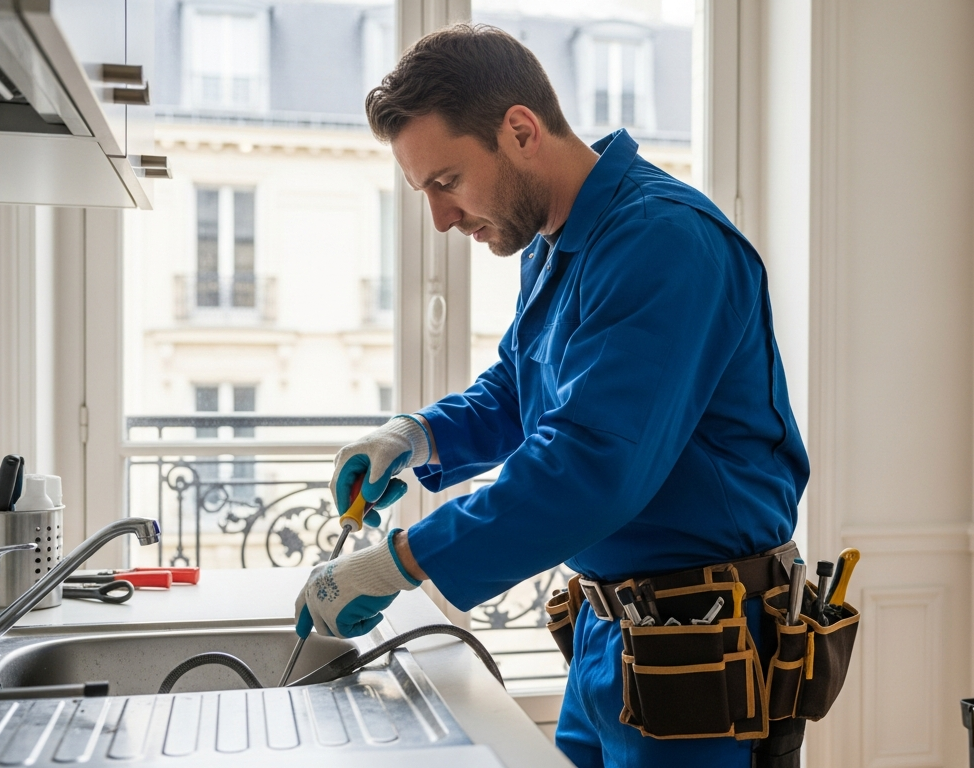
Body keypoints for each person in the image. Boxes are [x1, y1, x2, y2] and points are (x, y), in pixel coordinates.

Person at [292, 23, 808, 768]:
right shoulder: (556, 240)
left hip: (703, 642)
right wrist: (417, 435)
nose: (440, 217)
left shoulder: (664, 242)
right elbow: (520, 386)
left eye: (447, 182)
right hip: (610, 632)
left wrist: (400, 560)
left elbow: (590, 464)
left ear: (521, 131)